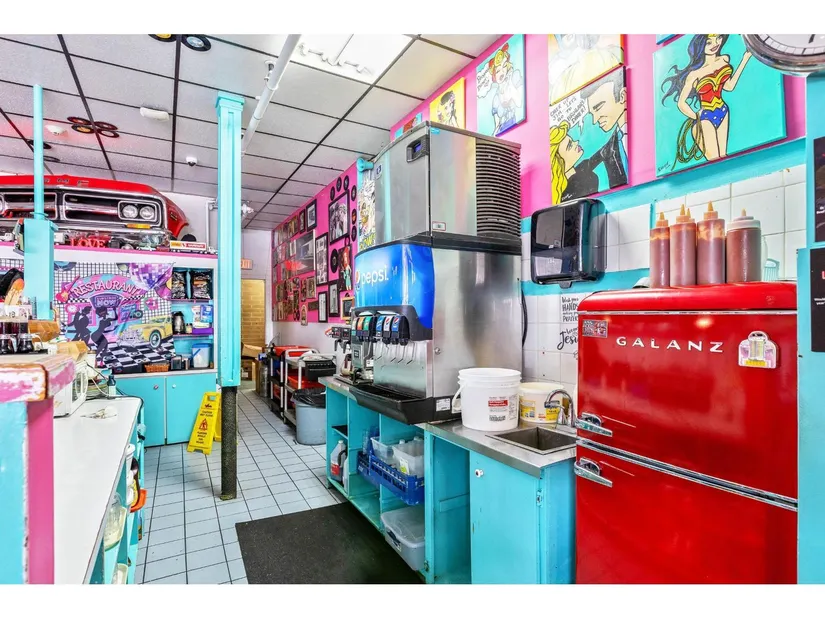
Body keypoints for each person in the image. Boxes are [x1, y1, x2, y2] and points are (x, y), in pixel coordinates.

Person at [661, 34, 752, 167]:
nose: (715, 44)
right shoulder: (694, 74)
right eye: (709, 42)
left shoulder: (724, 60)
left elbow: (729, 86)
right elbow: (681, 103)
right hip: (705, 117)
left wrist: (745, 59)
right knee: (715, 161)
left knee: (724, 157)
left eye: (718, 38)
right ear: (701, 46)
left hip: (723, 111)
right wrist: (697, 116)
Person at [580, 69, 629, 189]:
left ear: (622, 96)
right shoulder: (608, 150)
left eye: (598, 108)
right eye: (592, 114)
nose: (595, 120)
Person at [549, 121, 599, 203]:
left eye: (572, 141)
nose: (576, 142)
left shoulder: (583, 168)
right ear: (558, 162)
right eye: (569, 146)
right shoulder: (566, 194)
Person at [487, 44, 524, 135]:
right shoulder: (496, 98)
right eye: (498, 71)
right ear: (494, 76)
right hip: (503, 132)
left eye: (504, 67)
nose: (502, 72)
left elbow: (519, 103)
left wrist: (510, 83)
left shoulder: (514, 77)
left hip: (515, 126)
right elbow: (497, 126)